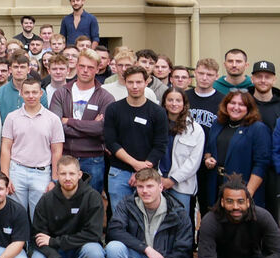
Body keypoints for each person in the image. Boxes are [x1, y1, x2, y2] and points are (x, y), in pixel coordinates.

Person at [27, 156, 105, 258]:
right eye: (63, 174)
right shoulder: (46, 200)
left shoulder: (92, 197)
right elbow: (38, 235)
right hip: (58, 250)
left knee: (95, 253)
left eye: (71, 173)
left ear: (79, 174)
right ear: (57, 175)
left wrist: (55, 241)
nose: (67, 178)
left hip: (82, 247)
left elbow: (93, 234)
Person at [48, 48, 113, 197]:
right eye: (82, 66)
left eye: (90, 67)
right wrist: (90, 126)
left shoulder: (105, 97)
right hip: (65, 157)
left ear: (97, 69)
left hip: (93, 159)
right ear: (76, 66)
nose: (85, 70)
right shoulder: (62, 93)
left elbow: (101, 129)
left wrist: (69, 121)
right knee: (64, 203)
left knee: (91, 203)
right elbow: (56, 126)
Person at [103, 66, 168, 210]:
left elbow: (160, 144)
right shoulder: (113, 109)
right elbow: (111, 142)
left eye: (139, 82)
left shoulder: (158, 112)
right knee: (120, 217)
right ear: (125, 83)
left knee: (147, 217)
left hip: (149, 173)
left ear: (146, 82)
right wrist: (135, 164)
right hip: (119, 172)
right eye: (130, 82)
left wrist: (142, 170)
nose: (134, 86)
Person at [0, 77, 64, 215]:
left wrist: (55, 179)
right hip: (17, 171)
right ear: (21, 93)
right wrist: (6, 176)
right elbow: (5, 148)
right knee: (16, 215)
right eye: (27, 92)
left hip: (41, 173)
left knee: (40, 216)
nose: (31, 96)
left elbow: (57, 151)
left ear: (41, 94)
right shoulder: (11, 117)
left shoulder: (53, 119)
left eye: (34, 92)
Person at [203, 90, 271, 208]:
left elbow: (261, 164)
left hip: (241, 190)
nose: (236, 107)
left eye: (241, 104)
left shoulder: (258, 128)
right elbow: (209, 149)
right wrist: (208, 159)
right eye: (232, 103)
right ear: (226, 105)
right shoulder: (217, 124)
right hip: (216, 186)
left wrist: (247, 193)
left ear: (249, 108)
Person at [160, 88, 205, 217]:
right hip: (157, 181)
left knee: (180, 223)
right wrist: (159, 178)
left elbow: (194, 162)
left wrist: (173, 180)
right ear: (164, 102)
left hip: (181, 185)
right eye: (170, 100)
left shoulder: (195, 130)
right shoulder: (156, 124)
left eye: (178, 100)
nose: (174, 104)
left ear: (184, 104)